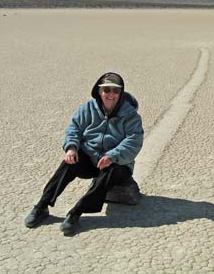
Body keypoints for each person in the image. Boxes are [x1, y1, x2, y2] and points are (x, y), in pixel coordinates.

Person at [24, 72, 144, 235]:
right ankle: (42, 206)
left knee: (112, 171)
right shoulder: (89, 108)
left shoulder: (130, 115)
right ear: (99, 91)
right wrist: (71, 147)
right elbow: (74, 128)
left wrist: (112, 156)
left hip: (117, 163)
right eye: (106, 90)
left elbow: (133, 141)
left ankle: (75, 213)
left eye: (115, 91)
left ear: (121, 93)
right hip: (91, 159)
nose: (111, 94)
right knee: (69, 163)